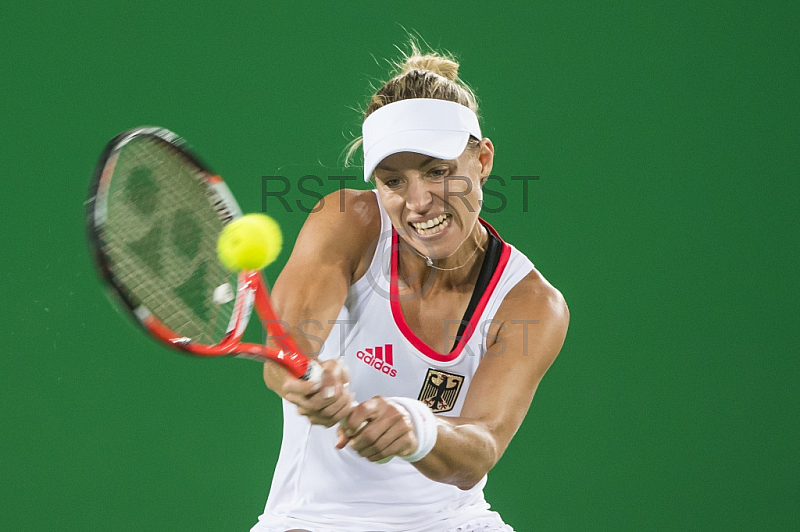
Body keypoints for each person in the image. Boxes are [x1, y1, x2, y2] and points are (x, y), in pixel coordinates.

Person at [251, 43, 569, 532]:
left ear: (482, 160)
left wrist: (418, 430)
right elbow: (285, 352)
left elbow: (479, 450)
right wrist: (306, 382)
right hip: (313, 521)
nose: (418, 202)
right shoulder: (348, 222)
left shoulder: (531, 304)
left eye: (438, 172)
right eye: (393, 180)